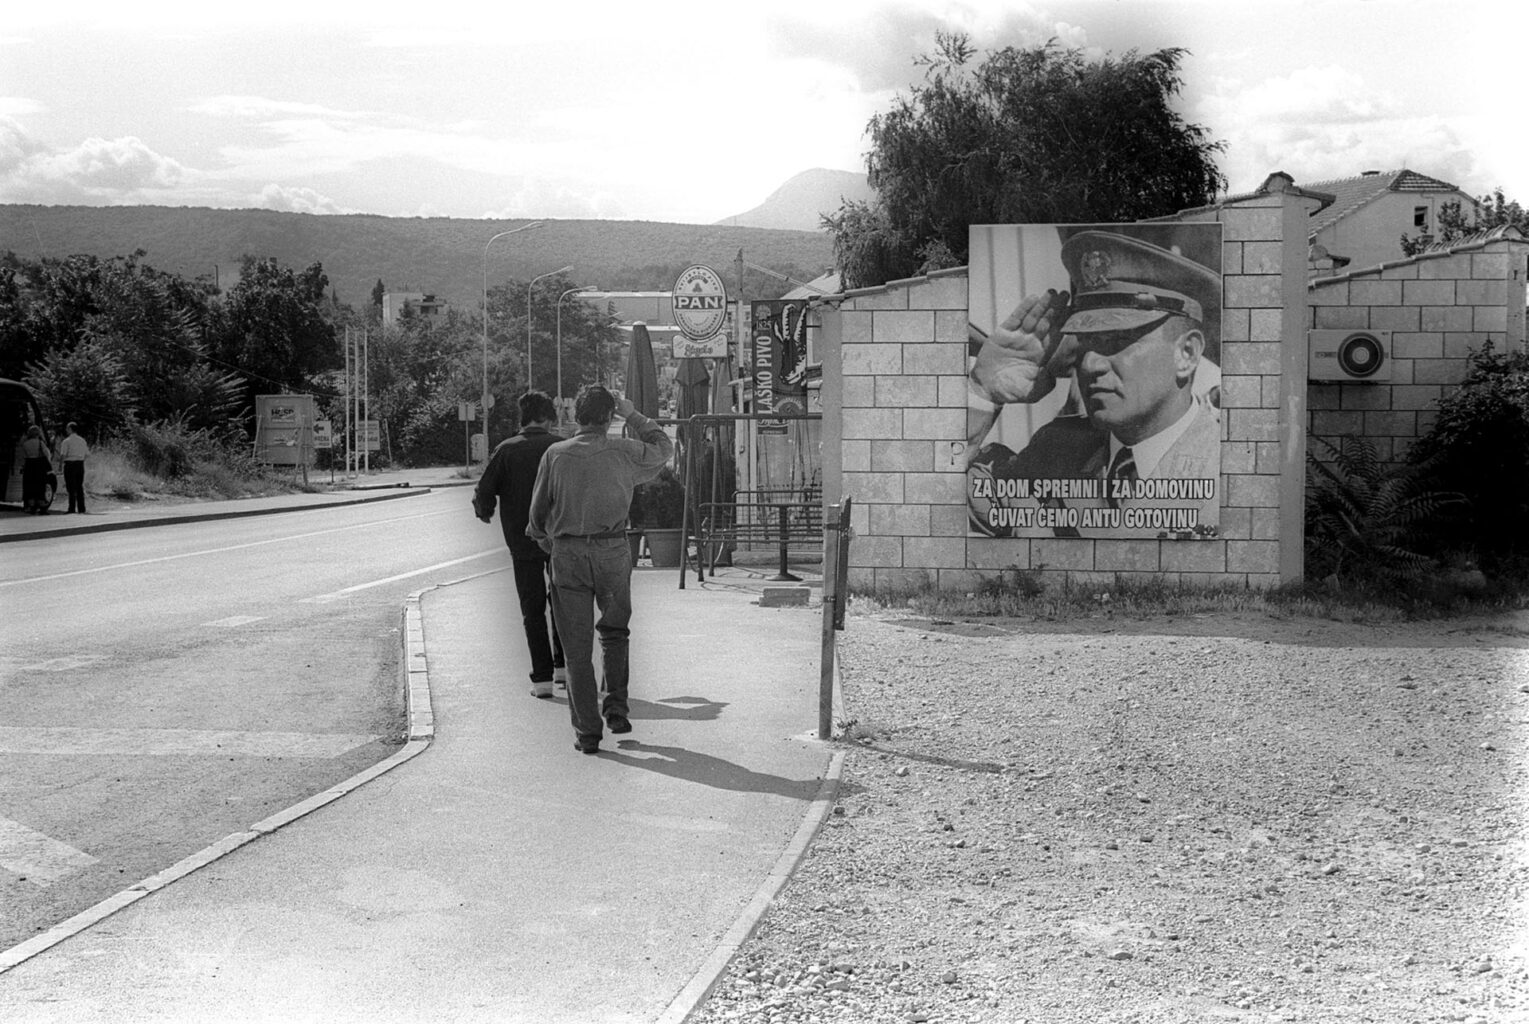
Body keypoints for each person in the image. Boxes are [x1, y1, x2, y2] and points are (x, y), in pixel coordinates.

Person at [967, 228, 1222, 539]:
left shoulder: (1232, 471)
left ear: (1187, 354)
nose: (1089, 364)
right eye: (1086, 342)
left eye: (1117, 341)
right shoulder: (1056, 451)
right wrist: (982, 392)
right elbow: (929, 497)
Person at [528, 384, 673, 755]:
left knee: (576, 649)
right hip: (612, 551)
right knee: (615, 632)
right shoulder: (624, 451)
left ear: (576, 416)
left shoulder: (555, 455)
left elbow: (536, 518)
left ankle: (587, 733)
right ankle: (616, 707)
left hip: (568, 554)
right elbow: (664, 448)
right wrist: (633, 414)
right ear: (610, 417)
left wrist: (552, 543)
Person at [473, 391, 566, 699]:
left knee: (532, 608)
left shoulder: (507, 450)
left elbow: (484, 491)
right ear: (549, 418)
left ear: (522, 418)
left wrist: (485, 511)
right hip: (559, 539)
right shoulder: (560, 447)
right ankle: (564, 668)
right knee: (562, 602)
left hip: (521, 540)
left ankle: (542, 679)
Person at [56, 421, 89, 514]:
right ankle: (81, 508)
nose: (66, 430)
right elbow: (87, 454)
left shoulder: (66, 441)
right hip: (80, 464)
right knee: (79, 486)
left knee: (70, 487)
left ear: (70, 429)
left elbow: (63, 454)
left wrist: (60, 466)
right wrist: (81, 460)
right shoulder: (82, 440)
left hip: (70, 464)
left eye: (67, 428)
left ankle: (72, 508)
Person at [20, 424, 53, 515]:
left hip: (29, 465)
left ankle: (31, 507)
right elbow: (47, 453)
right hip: (39, 466)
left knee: (30, 487)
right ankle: (42, 507)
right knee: (40, 486)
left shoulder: (25, 444)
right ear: (38, 433)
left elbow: (23, 457)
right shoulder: (40, 442)